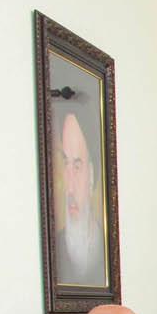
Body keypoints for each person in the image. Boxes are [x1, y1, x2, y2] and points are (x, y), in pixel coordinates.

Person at [54, 112, 107, 286]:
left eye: (77, 167)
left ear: (91, 176)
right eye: (65, 164)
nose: (69, 188)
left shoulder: (107, 250)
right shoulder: (54, 248)